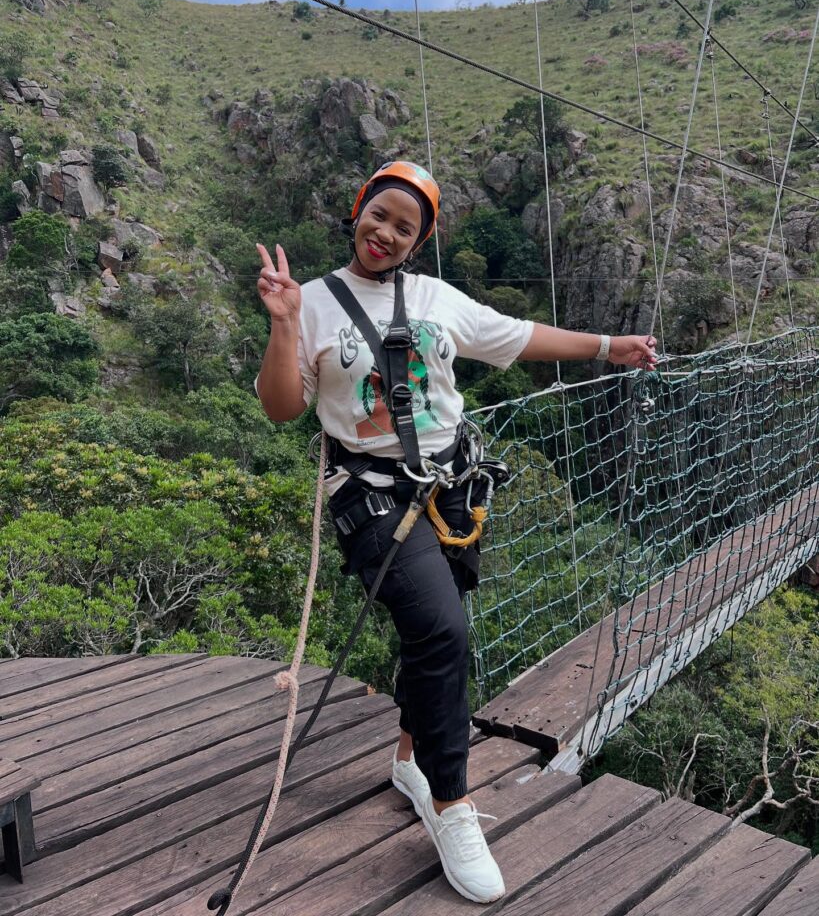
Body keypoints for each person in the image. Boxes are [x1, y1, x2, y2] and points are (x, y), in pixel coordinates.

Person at [254, 160, 657, 904]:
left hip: (453, 489)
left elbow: (518, 335)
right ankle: (450, 805)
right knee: (443, 634)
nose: (386, 233)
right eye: (379, 216)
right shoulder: (309, 302)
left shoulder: (437, 299)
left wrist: (609, 346)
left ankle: (410, 760)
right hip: (371, 497)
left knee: (434, 635)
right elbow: (282, 407)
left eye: (405, 227)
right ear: (357, 213)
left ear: (418, 242)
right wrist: (283, 326)